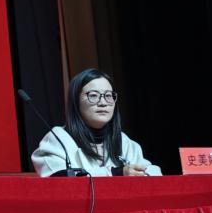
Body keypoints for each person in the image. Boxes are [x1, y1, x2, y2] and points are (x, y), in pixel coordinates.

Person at [31, 68, 161, 177]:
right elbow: (58, 181)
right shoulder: (58, 140)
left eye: (108, 96)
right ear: (75, 101)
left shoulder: (123, 141)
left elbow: (153, 172)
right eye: (93, 95)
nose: (103, 102)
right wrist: (115, 173)